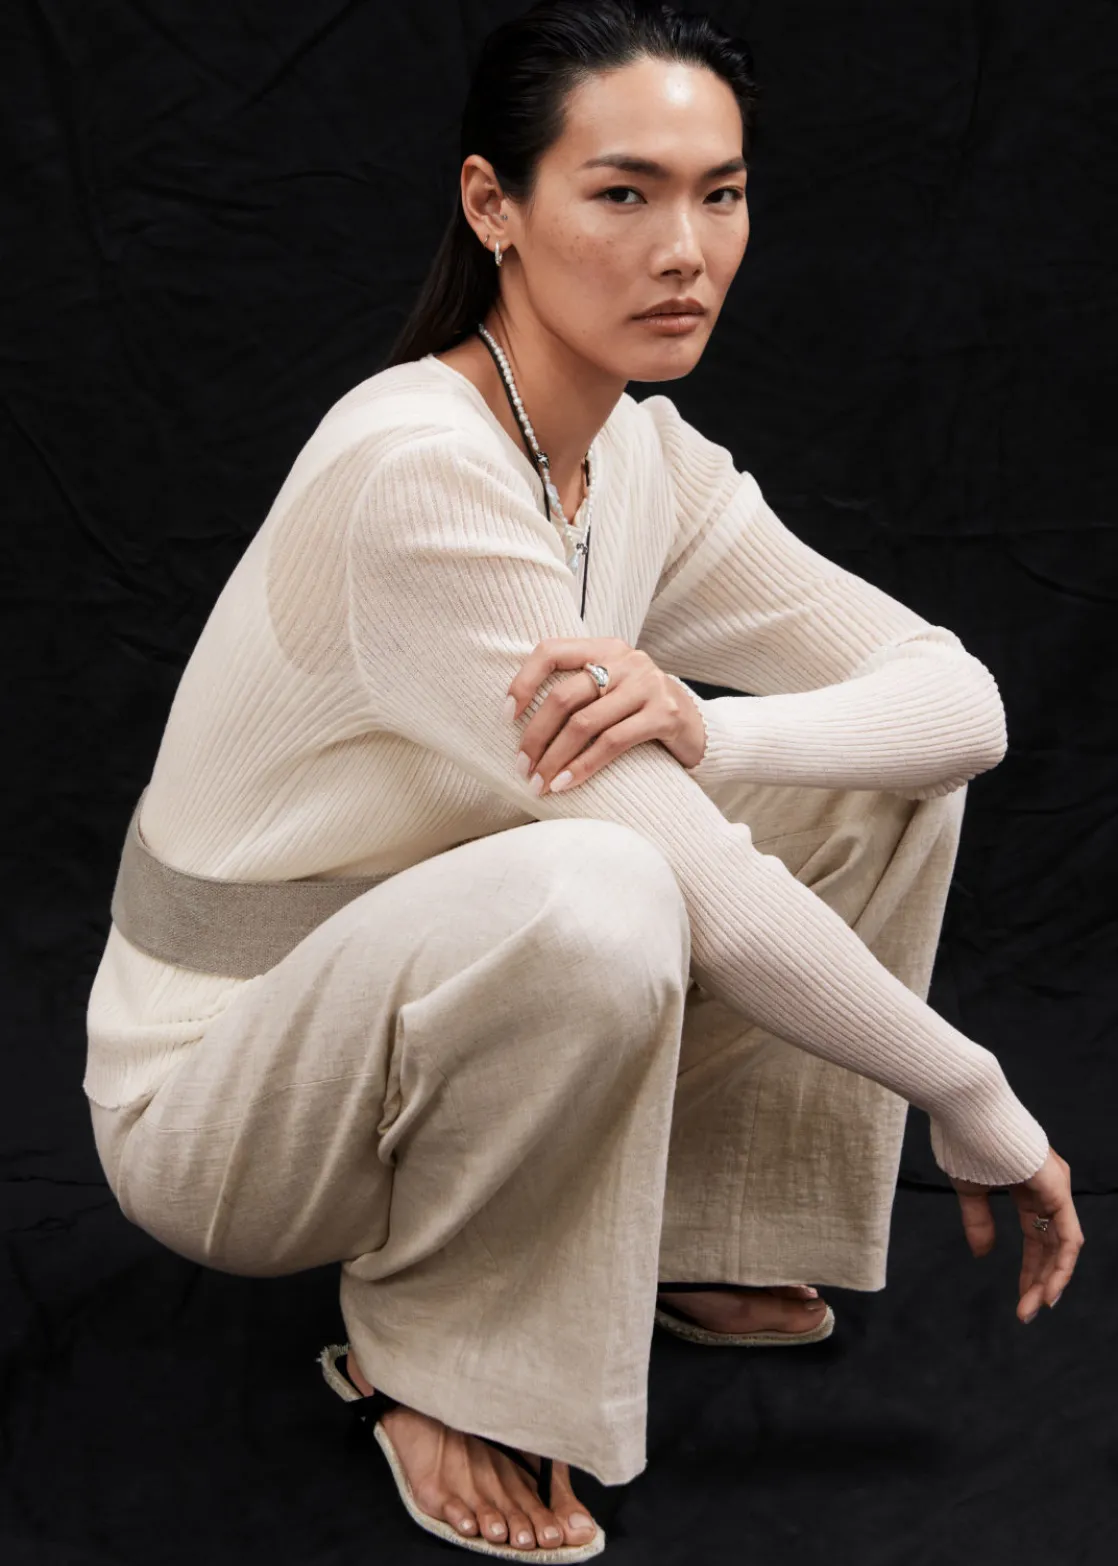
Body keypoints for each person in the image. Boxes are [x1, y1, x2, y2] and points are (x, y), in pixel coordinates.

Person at [84, 0, 1083, 1559]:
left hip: (425, 990)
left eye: (719, 193)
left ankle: (702, 1225)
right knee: (609, 881)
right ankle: (436, 1356)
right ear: (493, 205)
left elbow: (956, 703)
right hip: (224, 1099)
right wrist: (970, 1092)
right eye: (622, 193)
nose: (683, 249)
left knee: (864, 771)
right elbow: (703, 889)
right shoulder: (418, 472)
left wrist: (714, 730)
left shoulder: (639, 463)